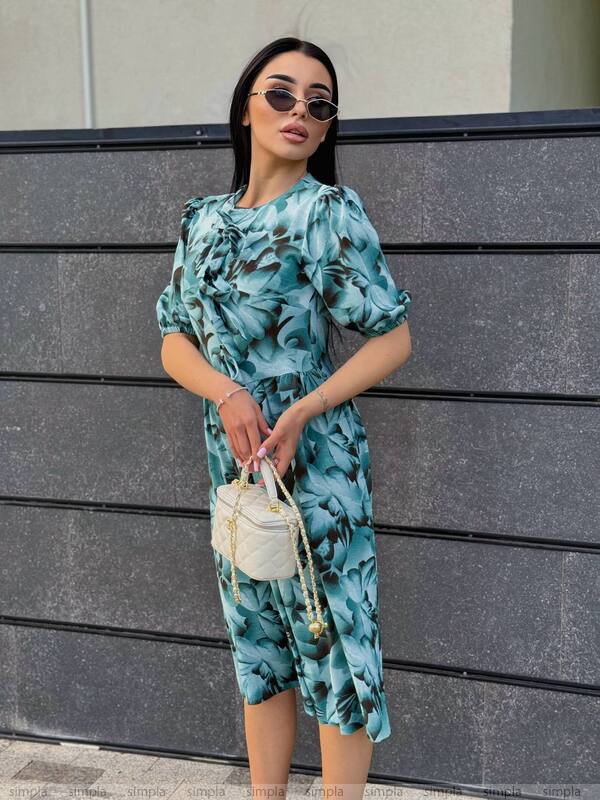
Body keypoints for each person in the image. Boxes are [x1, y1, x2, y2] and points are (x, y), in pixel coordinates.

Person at [156, 36, 412, 799]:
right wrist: (227, 393)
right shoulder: (202, 221)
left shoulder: (325, 212)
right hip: (235, 469)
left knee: (334, 652)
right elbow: (173, 336)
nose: (300, 111)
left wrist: (305, 404)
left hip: (318, 468)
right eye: (281, 93)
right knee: (259, 652)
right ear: (246, 107)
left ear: (328, 128)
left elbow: (393, 336)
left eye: (319, 104)